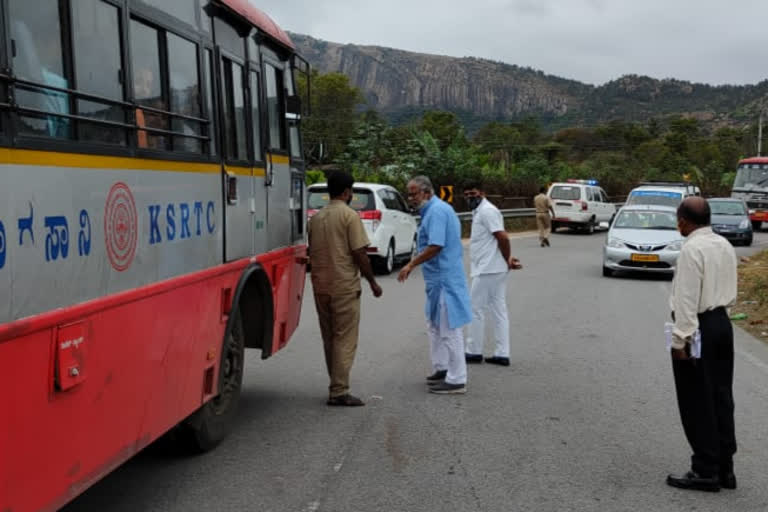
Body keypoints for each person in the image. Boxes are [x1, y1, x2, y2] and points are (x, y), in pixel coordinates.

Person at [666, 197, 738, 492]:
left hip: (699, 328)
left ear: (684, 220)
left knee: (696, 400)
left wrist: (680, 340)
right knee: (721, 397)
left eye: (678, 219)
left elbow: (686, 301)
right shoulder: (724, 245)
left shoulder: (691, 249)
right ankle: (725, 468)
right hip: (722, 325)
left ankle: (704, 469)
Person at [308, 171, 383, 406]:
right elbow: (360, 252)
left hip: (320, 285)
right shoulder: (349, 216)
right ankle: (339, 390)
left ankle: (336, 383)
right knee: (345, 338)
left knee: (329, 337)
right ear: (347, 192)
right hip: (344, 286)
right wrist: (372, 281)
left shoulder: (317, 218)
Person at [398, 176, 471, 394]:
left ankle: (457, 379)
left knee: (448, 329)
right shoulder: (431, 211)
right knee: (435, 326)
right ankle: (442, 368)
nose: (410, 198)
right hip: (436, 280)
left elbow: (435, 245)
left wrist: (410, 264)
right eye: (409, 194)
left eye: (414, 194)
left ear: (427, 193)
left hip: (445, 280)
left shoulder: (438, 211)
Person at [463, 182, 522, 367]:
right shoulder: (480, 211)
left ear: (482, 192)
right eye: (467, 194)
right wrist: (506, 260)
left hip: (488, 268)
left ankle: (473, 351)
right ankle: (502, 353)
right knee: (498, 310)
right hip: (492, 267)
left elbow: (502, 236)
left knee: (475, 308)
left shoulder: (487, 211)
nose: (470, 197)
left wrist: (507, 259)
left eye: (473, 193)